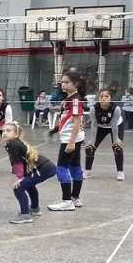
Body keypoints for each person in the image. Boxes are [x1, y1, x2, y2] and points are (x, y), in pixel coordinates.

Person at [47, 70, 86, 211]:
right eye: (62, 82)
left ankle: (67, 201)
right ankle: (75, 198)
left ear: (76, 84)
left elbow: (76, 122)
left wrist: (71, 142)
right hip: (74, 138)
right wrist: (55, 129)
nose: (63, 84)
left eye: (67, 82)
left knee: (61, 168)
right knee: (75, 167)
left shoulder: (75, 100)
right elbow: (67, 119)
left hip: (71, 139)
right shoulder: (69, 99)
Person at [4, 122, 56, 224]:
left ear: (16, 134)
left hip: (43, 168)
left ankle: (25, 215)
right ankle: (35, 209)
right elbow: (20, 162)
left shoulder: (13, 143)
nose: (5, 133)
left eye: (8, 131)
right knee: (29, 185)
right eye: (4, 131)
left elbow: (17, 163)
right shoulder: (13, 142)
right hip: (46, 167)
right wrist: (22, 176)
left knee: (18, 187)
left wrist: (19, 178)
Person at [84, 89, 125, 181]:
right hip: (100, 126)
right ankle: (87, 171)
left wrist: (116, 141)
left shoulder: (116, 109)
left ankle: (120, 172)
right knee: (90, 148)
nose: (103, 98)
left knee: (117, 148)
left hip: (116, 126)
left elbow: (114, 126)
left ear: (111, 99)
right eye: (101, 96)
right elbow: (94, 125)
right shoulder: (93, 109)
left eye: (106, 96)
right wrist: (92, 140)